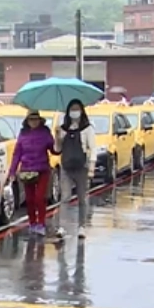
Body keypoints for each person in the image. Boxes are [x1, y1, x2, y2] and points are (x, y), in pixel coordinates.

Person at [7, 109, 57, 236]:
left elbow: (54, 150)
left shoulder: (45, 132)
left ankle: (41, 223)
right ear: (27, 121)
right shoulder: (23, 133)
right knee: (29, 199)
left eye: (36, 119)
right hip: (27, 170)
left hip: (42, 170)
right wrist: (12, 171)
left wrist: (58, 139)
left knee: (39, 198)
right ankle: (32, 223)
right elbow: (17, 153)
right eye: (31, 120)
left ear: (40, 120)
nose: (33, 122)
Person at [54, 99, 97, 239]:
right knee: (65, 197)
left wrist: (91, 168)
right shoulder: (63, 129)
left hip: (81, 167)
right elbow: (57, 150)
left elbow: (93, 148)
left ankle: (82, 226)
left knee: (82, 198)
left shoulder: (87, 129)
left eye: (77, 109)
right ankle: (62, 227)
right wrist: (57, 136)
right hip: (66, 167)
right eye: (72, 109)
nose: (74, 112)